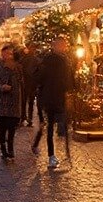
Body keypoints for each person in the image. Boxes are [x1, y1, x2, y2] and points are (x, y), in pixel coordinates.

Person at [32, 38, 74, 169]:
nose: (63, 48)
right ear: (54, 46)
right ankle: (52, 156)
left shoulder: (62, 61)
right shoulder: (50, 61)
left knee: (56, 125)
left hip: (55, 97)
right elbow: (39, 78)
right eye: (61, 45)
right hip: (51, 98)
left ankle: (58, 153)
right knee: (50, 126)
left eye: (64, 45)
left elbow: (69, 79)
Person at [0, 44, 23, 161]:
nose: (8, 56)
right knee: (2, 128)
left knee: (12, 128)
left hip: (14, 102)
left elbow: (23, 81)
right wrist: (1, 87)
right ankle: (3, 150)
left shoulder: (18, 67)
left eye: (10, 53)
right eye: (6, 53)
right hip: (1, 104)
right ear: (2, 54)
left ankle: (11, 149)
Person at [20, 46, 42, 127]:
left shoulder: (23, 59)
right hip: (31, 84)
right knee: (30, 102)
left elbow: (20, 70)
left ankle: (23, 117)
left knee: (24, 102)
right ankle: (29, 118)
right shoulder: (37, 60)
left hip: (25, 84)